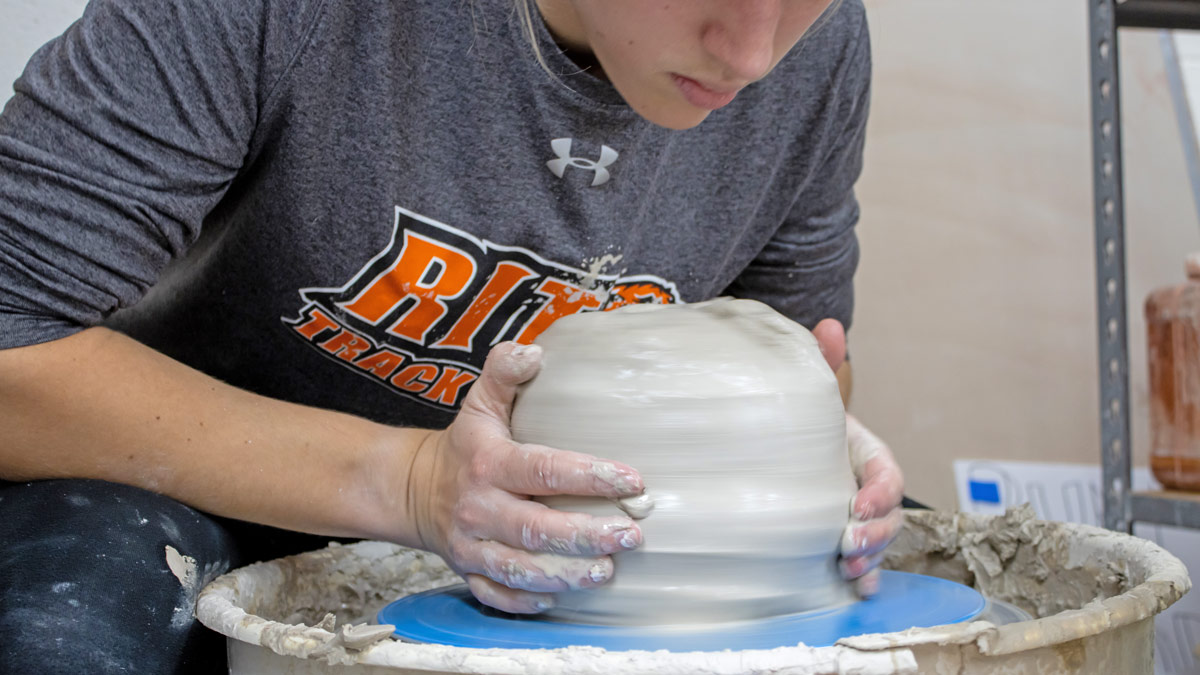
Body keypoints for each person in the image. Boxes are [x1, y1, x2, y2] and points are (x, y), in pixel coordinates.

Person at [0, 0, 904, 672]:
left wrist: (814, 436)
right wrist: (411, 481)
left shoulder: (814, 49)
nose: (752, 51)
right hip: (188, 487)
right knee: (63, 635)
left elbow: (802, 341)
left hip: (555, 544)